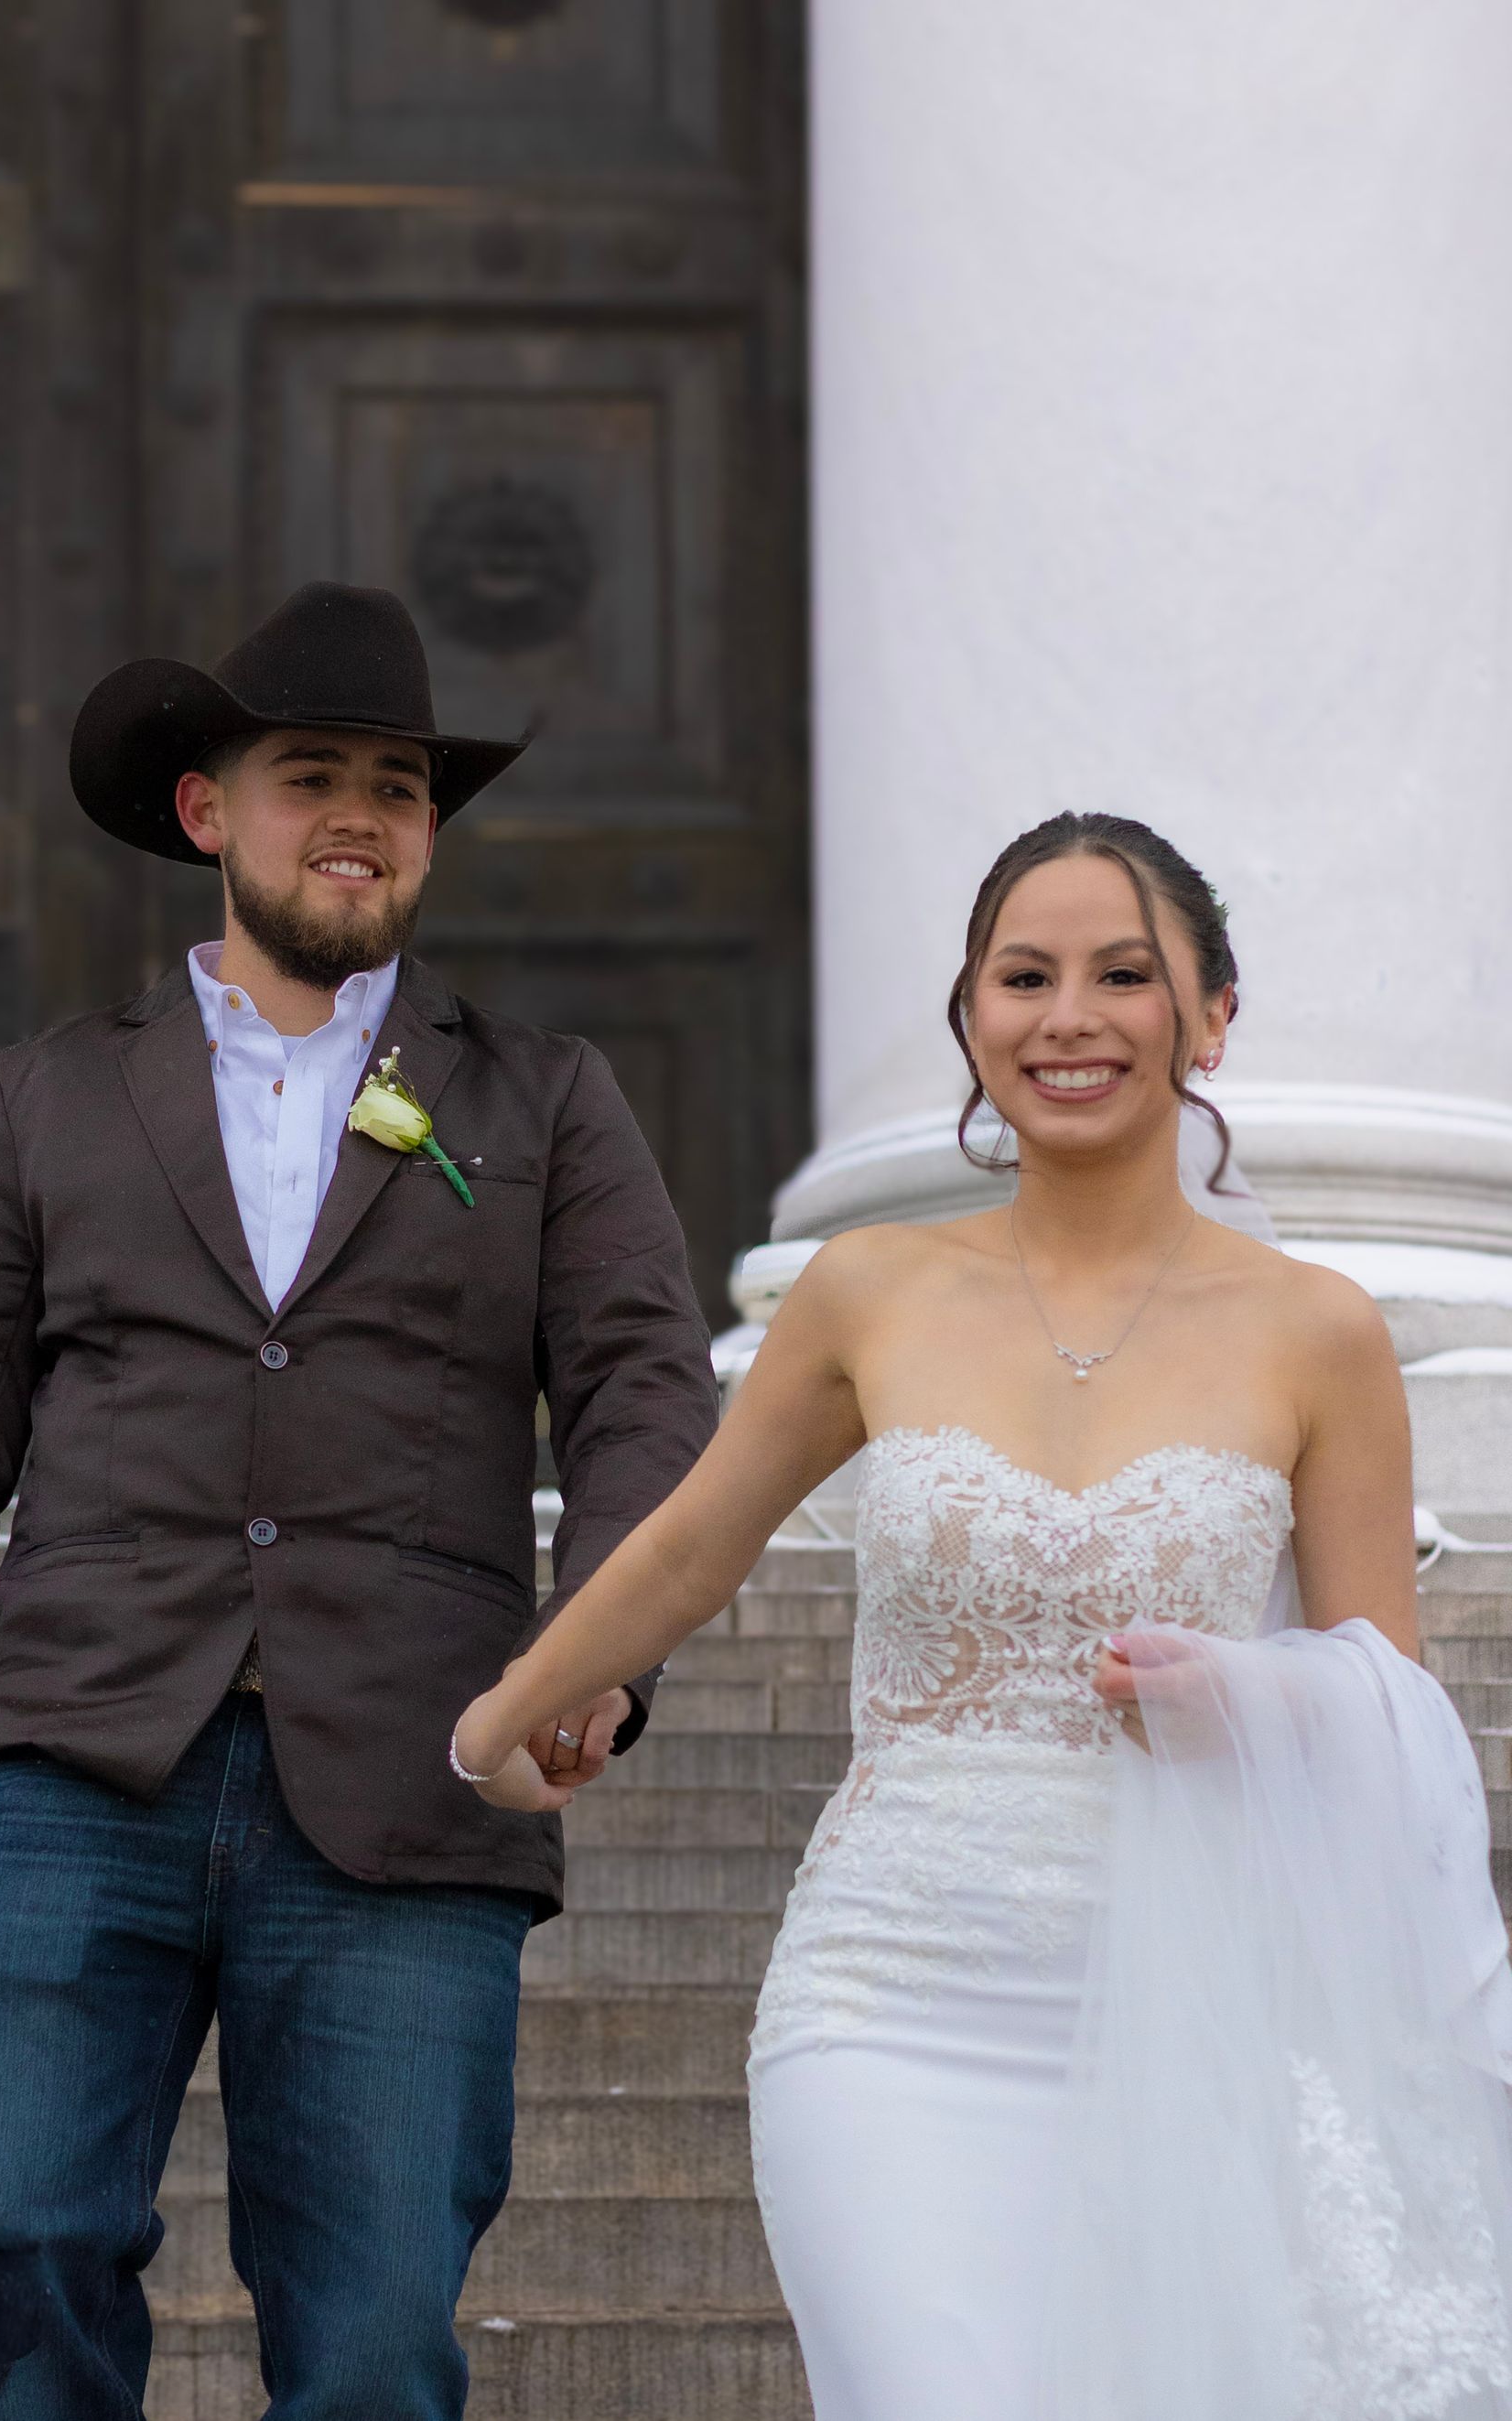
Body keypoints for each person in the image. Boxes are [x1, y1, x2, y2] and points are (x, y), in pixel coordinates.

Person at [453, 810, 1512, 2419]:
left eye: (1121, 974)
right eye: (1022, 976)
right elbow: (689, 1547)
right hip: (893, 1996)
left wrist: (1246, 1691)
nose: (1066, 1017)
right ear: (969, 1015)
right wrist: (497, 1713)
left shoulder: (1320, 1331)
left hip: (1186, 2011)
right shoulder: (869, 1290)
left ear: (1211, 1014)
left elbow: (1394, 1702)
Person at [0, 582, 719, 2421]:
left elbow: (643, 1394)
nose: (364, 816)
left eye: (400, 783)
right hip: (72, 1754)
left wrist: (597, 1649)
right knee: (10, 2228)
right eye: (314, 776)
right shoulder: (48, 1095)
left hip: (417, 1770)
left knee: (379, 2336)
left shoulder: (542, 1098)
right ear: (209, 813)